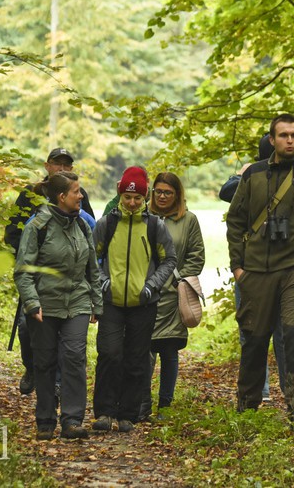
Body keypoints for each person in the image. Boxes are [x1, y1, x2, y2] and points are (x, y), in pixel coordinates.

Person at [225, 113, 294, 434]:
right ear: (272, 139)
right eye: (284, 135)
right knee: (254, 343)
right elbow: (236, 221)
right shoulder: (254, 175)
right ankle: (247, 407)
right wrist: (238, 268)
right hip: (256, 272)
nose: (290, 140)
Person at [14, 171, 102, 440]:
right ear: (62, 197)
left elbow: (92, 269)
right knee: (44, 361)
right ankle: (45, 420)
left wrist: (97, 302)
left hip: (77, 301)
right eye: (76, 192)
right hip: (45, 304)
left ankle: (72, 420)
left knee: (74, 357)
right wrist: (31, 302)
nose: (81, 196)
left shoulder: (83, 225)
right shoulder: (37, 227)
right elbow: (23, 271)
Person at [91, 166, 177, 433]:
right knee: (109, 354)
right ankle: (104, 412)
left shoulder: (154, 226)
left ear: (145, 197)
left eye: (137, 198)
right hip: (111, 302)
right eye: (127, 197)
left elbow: (169, 259)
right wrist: (103, 282)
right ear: (120, 195)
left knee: (136, 358)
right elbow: (91, 257)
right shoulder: (108, 224)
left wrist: (152, 286)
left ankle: (128, 414)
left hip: (144, 303)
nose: (131, 202)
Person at [5, 147, 95, 395]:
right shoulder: (31, 194)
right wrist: (30, 255)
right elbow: (11, 232)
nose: (63, 169)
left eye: (67, 165)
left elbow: (90, 233)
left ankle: (56, 383)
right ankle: (32, 367)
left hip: (70, 280)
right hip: (35, 277)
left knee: (65, 336)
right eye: (58, 164)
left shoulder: (80, 195)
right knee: (26, 326)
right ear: (47, 166)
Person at [220, 151, 286, 402]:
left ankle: (283, 389)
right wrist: (244, 173)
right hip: (251, 266)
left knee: (282, 332)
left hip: (282, 264)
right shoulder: (253, 176)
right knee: (253, 331)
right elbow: (226, 192)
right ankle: (262, 390)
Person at [139, 172, 205, 420]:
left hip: (173, 296)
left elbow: (196, 256)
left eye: (168, 192)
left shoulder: (188, 220)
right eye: (158, 192)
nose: (163, 196)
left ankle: (165, 405)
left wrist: (178, 280)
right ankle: (142, 403)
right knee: (143, 350)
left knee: (168, 350)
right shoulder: (143, 218)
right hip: (145, 294)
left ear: (177, 195)